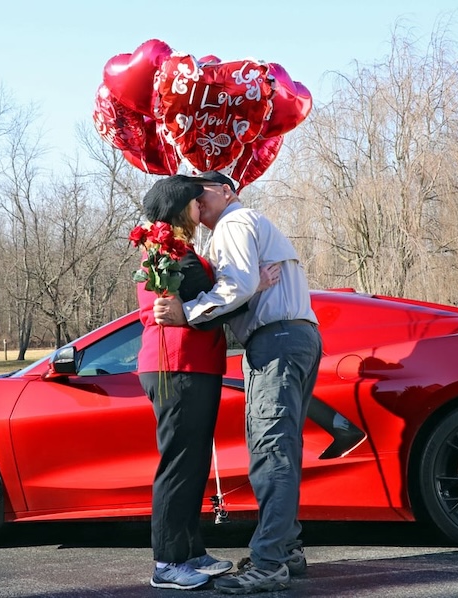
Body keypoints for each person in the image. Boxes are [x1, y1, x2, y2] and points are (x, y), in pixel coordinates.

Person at [153, 171, 322, 594]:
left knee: (271, 454)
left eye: (202, 188)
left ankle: (269, 564)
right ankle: (286, 551)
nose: (195, 195)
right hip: (292, 337)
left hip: (276, 341)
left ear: (227, 191)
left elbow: (239, 284)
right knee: (281, 449)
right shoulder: (247, 225)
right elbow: (247, 286)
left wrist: (187, 314)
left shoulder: (233, 223)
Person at [137, 175, 280, 591]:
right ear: (185, 209)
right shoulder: (168, 255)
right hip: (176, 365)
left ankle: (190, 550)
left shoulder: (180, 250)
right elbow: (209, 307)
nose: (204, 206)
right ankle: (167, 563)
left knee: (194, 461)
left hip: (195, 366)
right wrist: (255, 287)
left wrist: (249, 285)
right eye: (196, 201)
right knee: (179, 464)